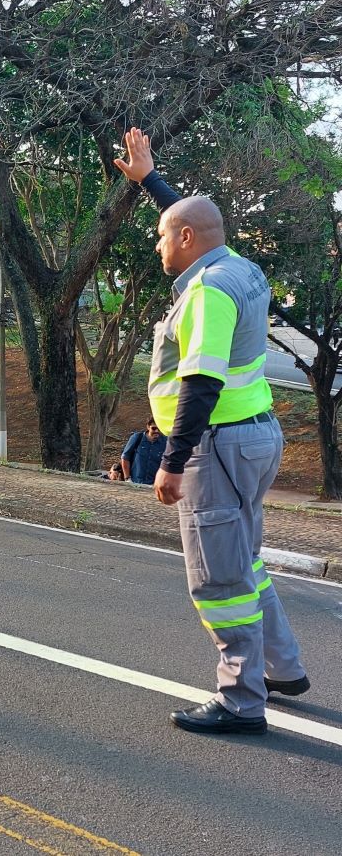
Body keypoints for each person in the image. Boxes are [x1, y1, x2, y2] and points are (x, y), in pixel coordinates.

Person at [114, 127, 309, 735]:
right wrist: (150, 182)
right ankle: (283, 668)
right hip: (254, 437)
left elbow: (200, 383)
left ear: (186, 241)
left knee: (219, 579)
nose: (157, 246)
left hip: (215, 446)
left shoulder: (207, 292)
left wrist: (172, 461)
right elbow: (194, 221)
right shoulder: (240, 268)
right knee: (245, 561)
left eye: (161, 238)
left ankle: (241, 700)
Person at [120, 417, 166, 485]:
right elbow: (125, 458)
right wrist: (127, 478)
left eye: (159, 428)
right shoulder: (137, 438)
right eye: (154, 428)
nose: (156, 431)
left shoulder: (165, 442)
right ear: (148, 426)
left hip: (155, 484)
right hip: (135, 482)